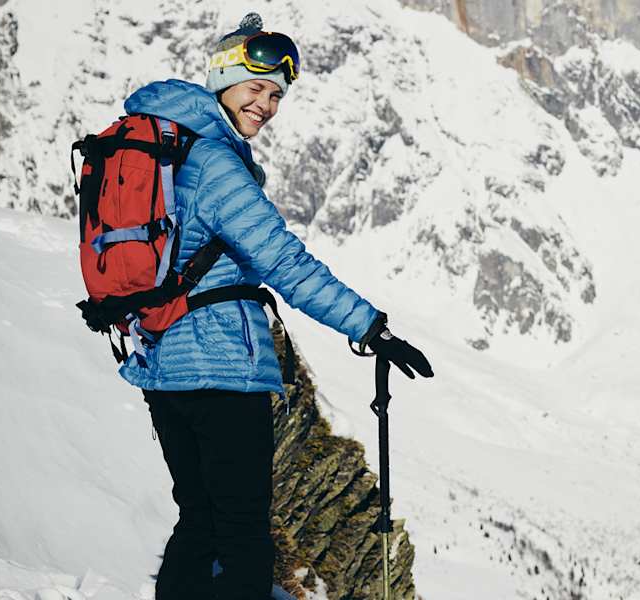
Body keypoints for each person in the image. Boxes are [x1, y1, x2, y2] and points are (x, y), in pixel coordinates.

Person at [117, 13, 434, 599]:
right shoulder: (214, 163)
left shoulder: (169, 152)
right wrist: (370, 327)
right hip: (221, 371)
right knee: (241, 533)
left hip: (164, 368)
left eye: (277, 94)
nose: (267, 104)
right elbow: (282, 262)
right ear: (221, 80)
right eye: (256, 88)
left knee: (202, 521)